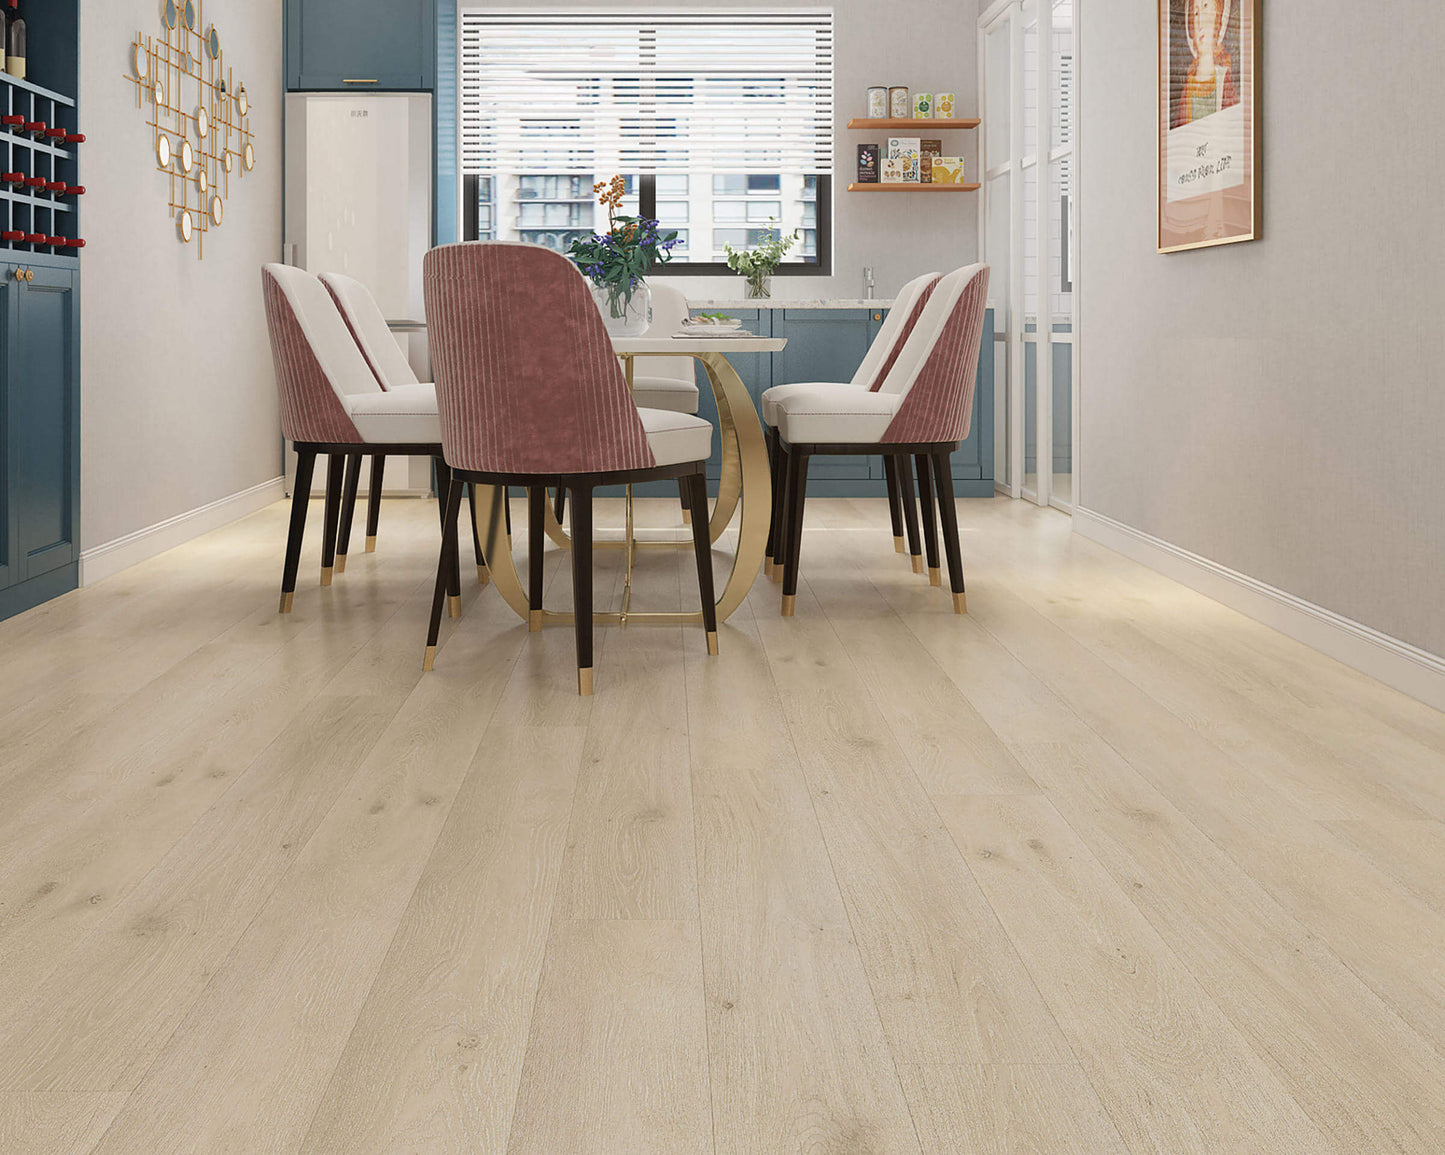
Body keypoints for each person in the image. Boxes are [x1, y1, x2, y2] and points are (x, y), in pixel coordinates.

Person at [1176, 0, 1237, 126]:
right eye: (1196, 13)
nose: (1200, 23)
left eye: (1205, 6)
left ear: (1218, 17)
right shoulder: (1188, 85)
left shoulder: (1224, 80)